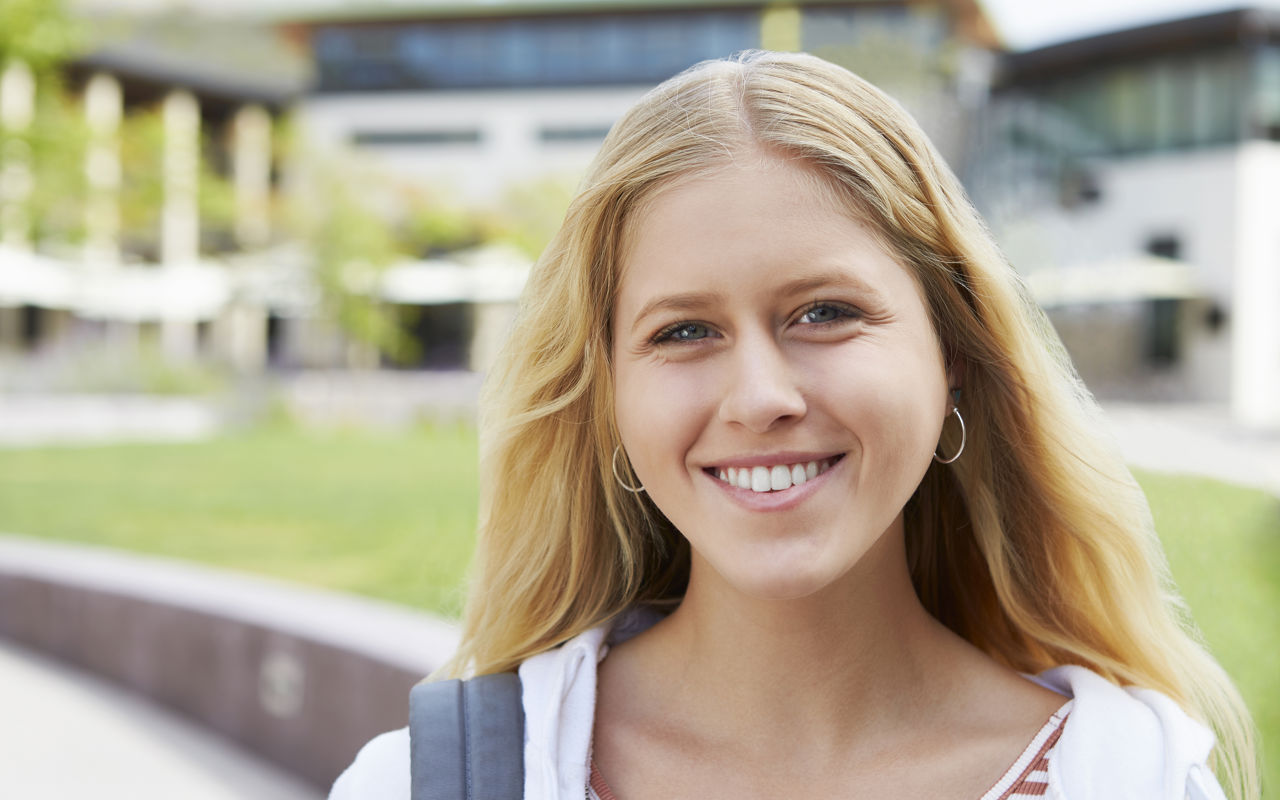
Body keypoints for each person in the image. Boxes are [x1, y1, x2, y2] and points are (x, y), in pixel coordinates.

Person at [330, 50, 1259, 800]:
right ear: (607, 395)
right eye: (684, 331)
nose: (760, 395)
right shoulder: (423, 783)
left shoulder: (1135, 779)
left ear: (957, 357)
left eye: (824, 313)